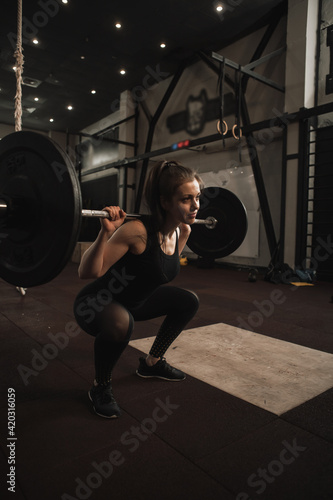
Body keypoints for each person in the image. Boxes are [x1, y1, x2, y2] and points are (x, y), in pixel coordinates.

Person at [73, 160, 202, 418]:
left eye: (197, 197)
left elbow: (161, 271)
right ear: (165, 202)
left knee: (188, 301)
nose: (196, 205)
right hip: (98, 302)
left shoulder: (182, 231)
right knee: (123, 323)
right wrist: (105, 233)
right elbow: (86, 272)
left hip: (135, 301)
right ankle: (101, 385)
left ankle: (152, 363)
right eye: (186, 199)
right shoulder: (137, 231)